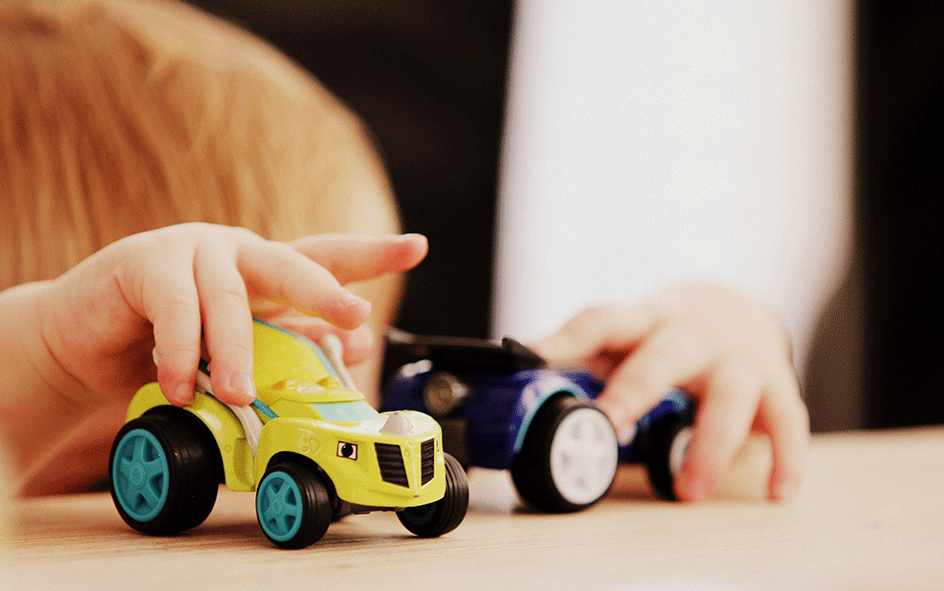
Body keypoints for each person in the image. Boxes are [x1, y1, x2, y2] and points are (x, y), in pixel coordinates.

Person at [0, 0, 807, 503]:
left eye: (333, 342)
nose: (341, 359)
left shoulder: (330, 386)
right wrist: (43, 353)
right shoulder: (52, 385)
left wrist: (713, 326)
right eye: (99, 473)